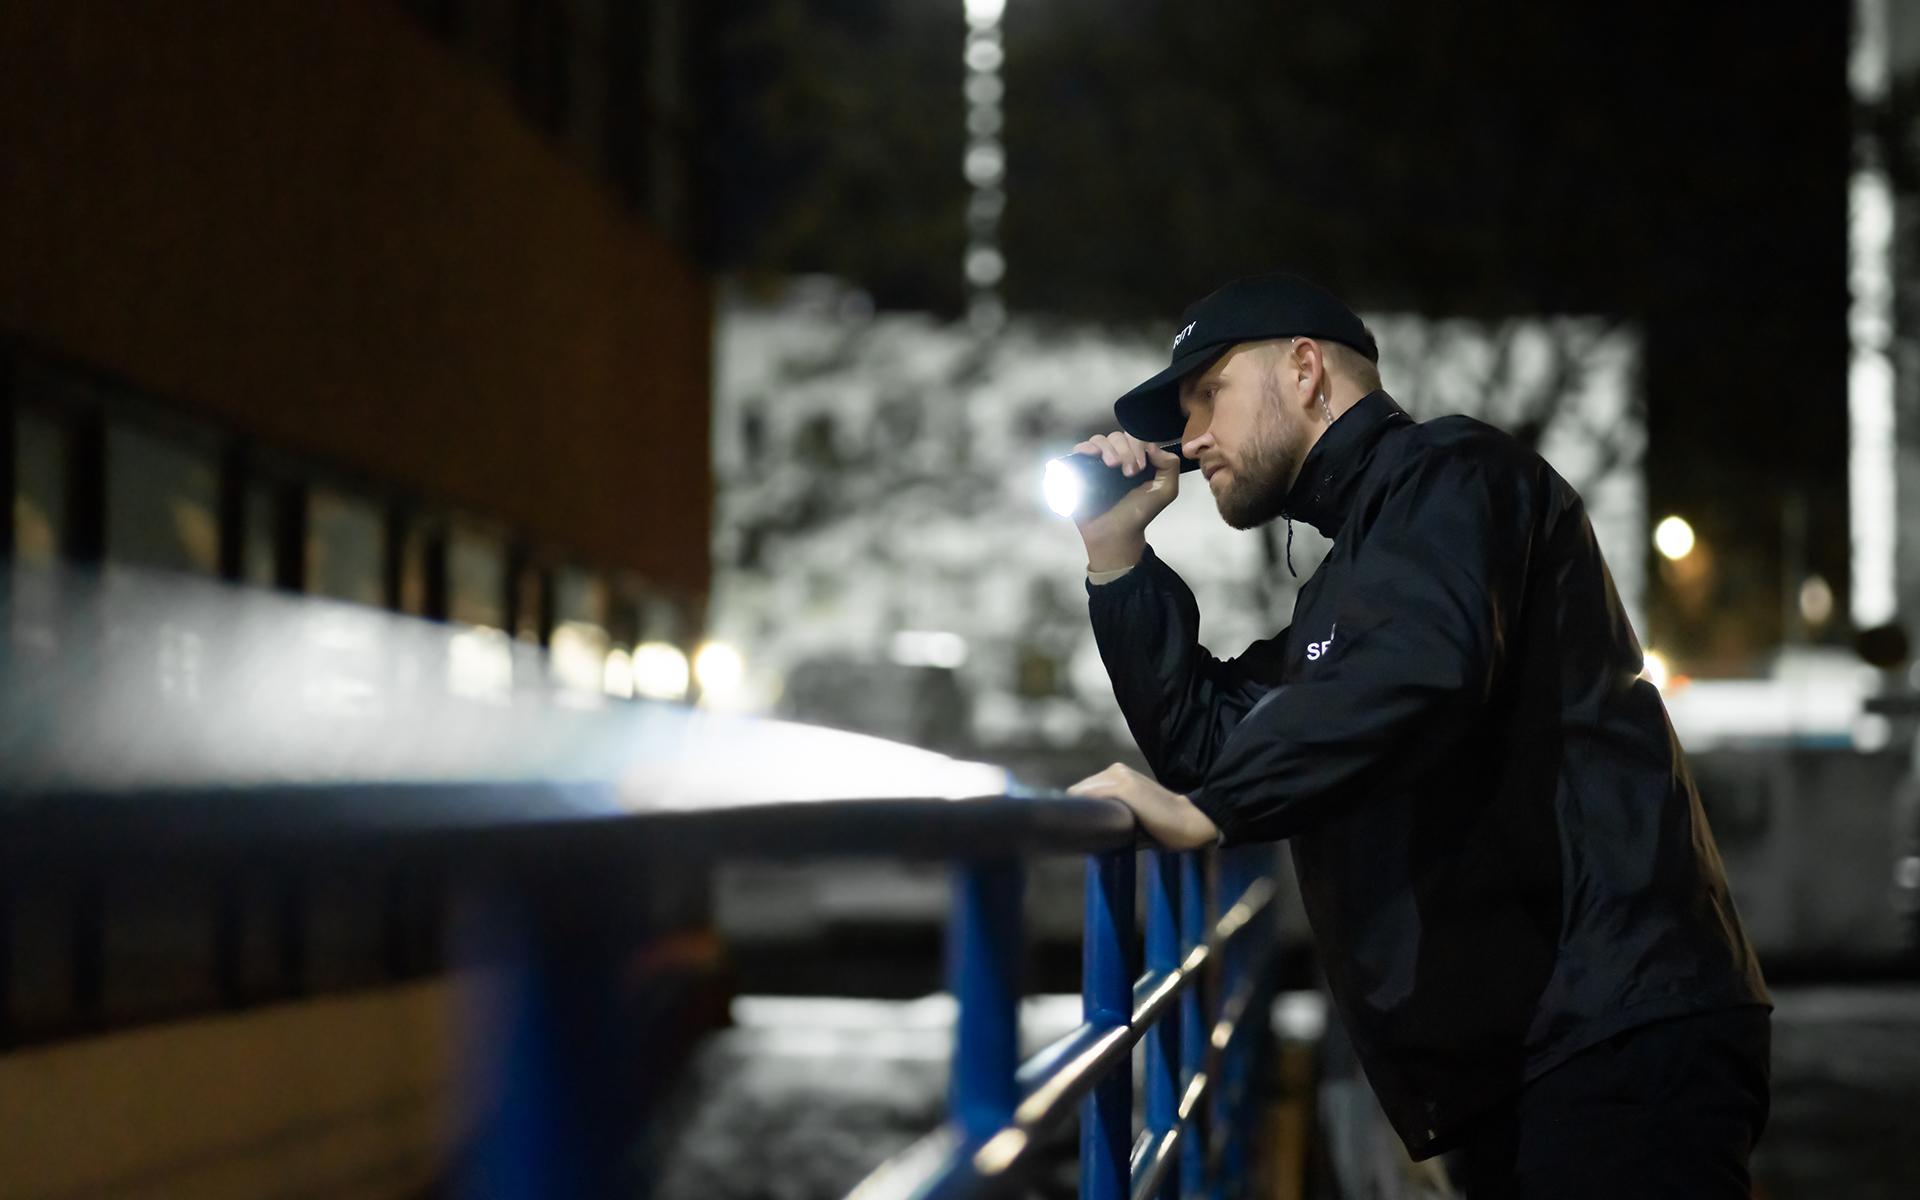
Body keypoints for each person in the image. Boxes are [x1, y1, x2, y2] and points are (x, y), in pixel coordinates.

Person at [1064, 273, 1771, 1197]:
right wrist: (1117, 559)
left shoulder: (1456, 475)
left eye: (1210, 394)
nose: (1190, 438)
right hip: (1541, 1047)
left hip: (1614, 1028)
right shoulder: (1355, 579)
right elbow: (1212, 743)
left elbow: (1416, 668)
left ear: (1305, 369)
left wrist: (1215, 811)